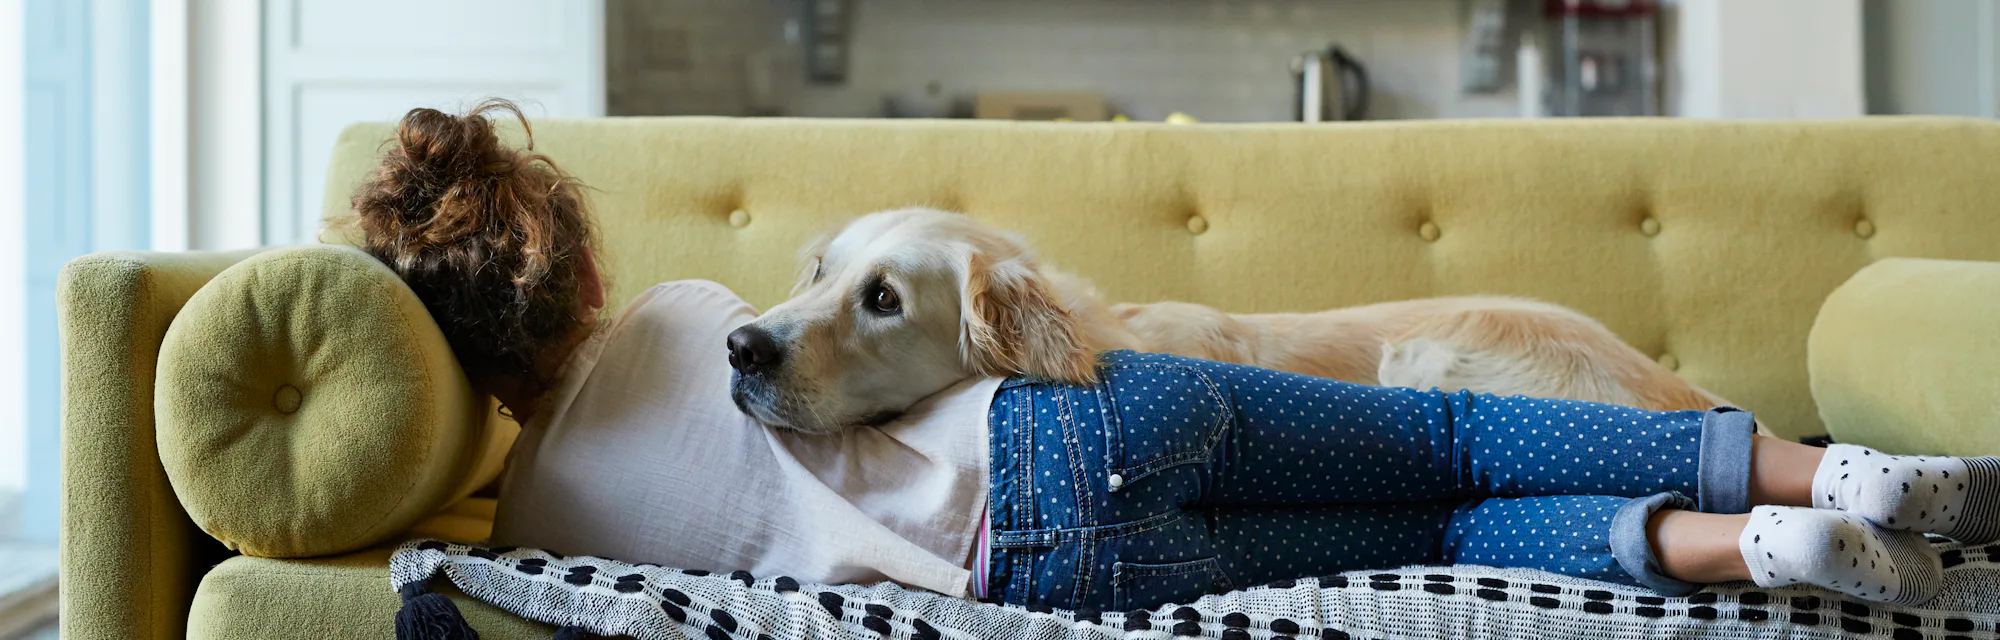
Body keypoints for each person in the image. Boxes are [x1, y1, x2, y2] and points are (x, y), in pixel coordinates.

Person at [350, 101, 1995, 613]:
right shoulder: (702, 324)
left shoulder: (537, 527)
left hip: (1060, 584)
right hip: (1100, 422)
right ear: (568, 253)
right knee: (1451, 448)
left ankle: (1758, 553)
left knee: (1445, 536)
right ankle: (1805, 472)